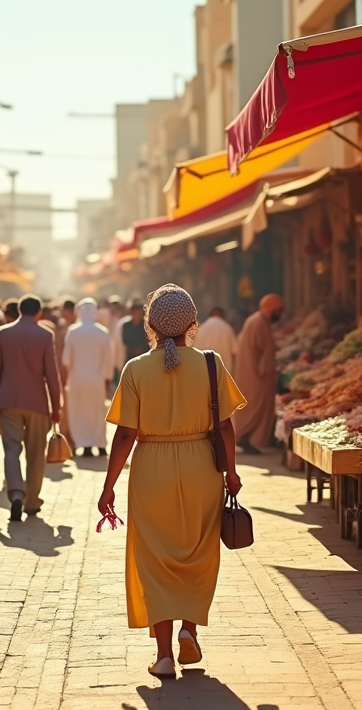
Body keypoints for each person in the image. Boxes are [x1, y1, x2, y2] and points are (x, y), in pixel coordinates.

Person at [99, 284, 246, 679]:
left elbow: (126, 434)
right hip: (201, 466)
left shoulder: (135, 369)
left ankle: (163, 655)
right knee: (197, 553)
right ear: (192, 324)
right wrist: (231, 472)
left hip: (151, 470)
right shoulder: (211, 364)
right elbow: (228, 429)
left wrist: (108, 485)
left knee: (155, 560)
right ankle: (190, 631)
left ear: (149, 325)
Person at [0, 294, 62, 521]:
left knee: (11, 450)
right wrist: (56, 406)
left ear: (19, 311)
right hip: (37, 403)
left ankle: (16, 493)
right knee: (36, 452)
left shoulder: (3, 334)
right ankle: (32, 501)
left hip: (7, 401)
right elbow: (52, 374)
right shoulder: (45, 335)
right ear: (39, 313)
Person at [232, 294, 283, 453]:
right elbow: (264, 351)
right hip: (257, 374)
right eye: (279, 310)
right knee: (255, 407)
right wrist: (268, 370)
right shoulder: (260, 323)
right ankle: (245, 437)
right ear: (272, 309)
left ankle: (247, 438)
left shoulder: (258, 320)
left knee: (253, 406)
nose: (280, 314)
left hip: (253, 372)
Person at [63, 298, 113, 457]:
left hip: (77, 379)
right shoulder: (102, 332)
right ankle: (100, 444)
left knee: (79, 411)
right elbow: (109, 359)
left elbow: (66, 359)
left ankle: (84, 444)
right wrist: (107, 377)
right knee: (97, 412)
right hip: (97, 380)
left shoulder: (73, 331)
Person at [56, 299, 78, 450]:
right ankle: (68, 438)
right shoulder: (65, 327)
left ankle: (72, 438)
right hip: (66, 371)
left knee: (71, 407)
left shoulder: (71, 328)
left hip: (71, 372)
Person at [118, 299, 149, 370]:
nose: (138, 315)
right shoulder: (126, 325)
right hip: (130, 356)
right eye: (136, 313)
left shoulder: (147, 326)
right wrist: (133, 349)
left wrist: (142, 349)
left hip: (144, 356)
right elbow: (124, 340)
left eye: (140, 313)